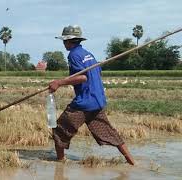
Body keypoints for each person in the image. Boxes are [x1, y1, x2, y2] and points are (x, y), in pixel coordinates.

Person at [49, 25, 135, 165]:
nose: (64, 43)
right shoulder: (88, 54)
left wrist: (59, 82)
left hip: (84, 103)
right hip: (97, 100)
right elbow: (97, 73)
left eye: (64, 41)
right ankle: (132, 162)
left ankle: (60, 163)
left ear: (69, 41)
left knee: (60, 130)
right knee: (109, 132)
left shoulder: (73, 55)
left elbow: (83, 77)